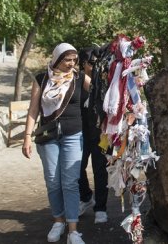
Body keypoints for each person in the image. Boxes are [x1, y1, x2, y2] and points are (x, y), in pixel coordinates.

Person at [23, 43, 90, 244]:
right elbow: (33, 110)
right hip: (48, 137)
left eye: (74, 60)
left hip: (73, 135)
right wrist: (27, 136)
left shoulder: (79, 78)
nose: (71, 64)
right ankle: (58, 221)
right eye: (66, 60)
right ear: (56, 59)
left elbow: (101, 91)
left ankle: (73, 230)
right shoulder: (42, 79)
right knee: (53, 181)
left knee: (70, 182)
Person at [77, 47, 109, 224]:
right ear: (83, 64)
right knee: (77, 168)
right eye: (91, 63)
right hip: (80, 133)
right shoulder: (78, 80)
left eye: (97, 62)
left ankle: (101, 208)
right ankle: (86, 196)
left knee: (100, 169)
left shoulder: (102, 82)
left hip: (99, 133)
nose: (95, 66)